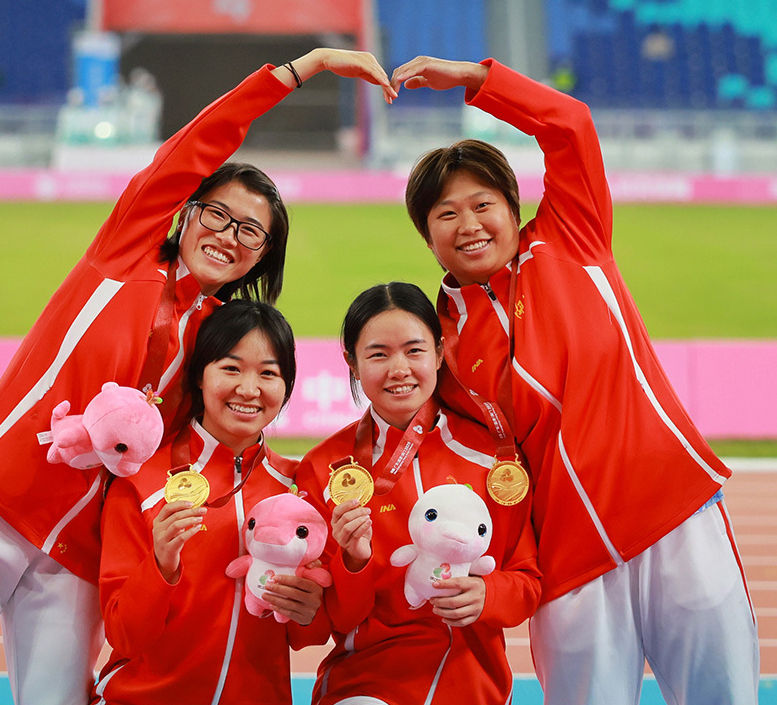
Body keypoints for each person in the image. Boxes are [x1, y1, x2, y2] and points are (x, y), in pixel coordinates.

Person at [0, 48, 393, 705]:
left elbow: (220, 439)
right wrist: (304, 67)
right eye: (217, 214)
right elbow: (198, 142)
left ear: (263, 257)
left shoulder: (221, 342)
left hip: (81, 546)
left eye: (251, 232)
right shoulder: (124, 255)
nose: (229, 235)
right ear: (186, 211)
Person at [394, 55, 759, 704]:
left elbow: (569, 124)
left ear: (513, 208)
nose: (468, 225)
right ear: (427, 237)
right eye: (445, 215)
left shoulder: (570, 235)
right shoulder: (437, 342)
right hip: (568, 560)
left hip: (672, 514)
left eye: (482, 204)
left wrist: (476, 81)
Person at [294, 282, 540, 705]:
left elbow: (527, 580)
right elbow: (333, 621)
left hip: (474, 687)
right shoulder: (325, 469)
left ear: (440, 354)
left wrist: (490, 595)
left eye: (414, 351)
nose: (399, 369)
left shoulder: (492, 456)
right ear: (352, 363)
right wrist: (353, 562)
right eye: (378, 354)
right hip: (367, 685)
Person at [93, 300, 328, 704]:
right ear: (200, 376)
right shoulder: (141, 482)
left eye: (268, 373)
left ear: (287, 387)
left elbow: (309, 636)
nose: (249, 390)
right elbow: (124, 635)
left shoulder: (298, 488)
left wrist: (310, 611)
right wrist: (161, 566)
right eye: (231, 368)